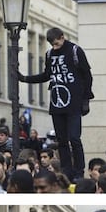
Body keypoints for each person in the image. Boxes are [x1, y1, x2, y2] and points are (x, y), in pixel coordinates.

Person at [18, 27, 94, 182]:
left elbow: (87, 74)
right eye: (52, 44)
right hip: (57, 102)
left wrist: (86, 99)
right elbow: (47, 75)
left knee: (74, 138)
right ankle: (66, 171)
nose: (55, 47)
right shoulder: (50, 54)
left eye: (57, 43)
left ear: (62, 37)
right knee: (62, 140)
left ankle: (79, 170)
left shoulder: (75, 50)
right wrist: (26, 78)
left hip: (74, 102)